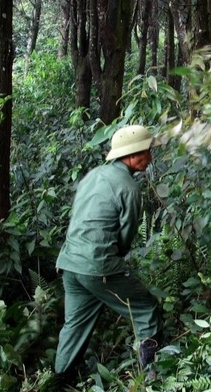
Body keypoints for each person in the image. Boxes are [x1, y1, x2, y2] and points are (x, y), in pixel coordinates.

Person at [52, 125, 163, 385]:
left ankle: (58, 383)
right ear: (134, 154)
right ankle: (153, 378)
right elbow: (125, 239)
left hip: (69, 264)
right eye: (148, 152)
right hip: (98, 267)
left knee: (75, 326)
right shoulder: (129, 188)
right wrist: (112, 265)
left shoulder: (93, 176)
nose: (150, 157)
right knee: (145, 309)